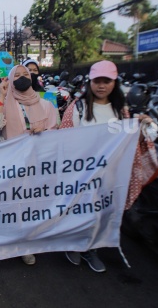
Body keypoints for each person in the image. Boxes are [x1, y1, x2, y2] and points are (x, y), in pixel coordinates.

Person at [59, 60, 127, 273]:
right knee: (78, 209)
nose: (101, 86)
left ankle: (91, 249)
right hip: (81, 172)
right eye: (97, 81)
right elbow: (64, 138)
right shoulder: (78, 107)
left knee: (99, 213)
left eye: (107, 81)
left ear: (114, 83)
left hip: (108, 174)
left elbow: (125, 141)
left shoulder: (121, 111)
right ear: (90, 82)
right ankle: (73, 244)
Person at [0, 65, 59, 266]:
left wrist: (42, 131)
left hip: (36, 163)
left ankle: (25, 244)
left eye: (25, 75)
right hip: (10, 162)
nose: (21, 78)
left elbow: (56, 134)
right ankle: (8, 241)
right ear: (9, 80)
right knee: (10, 203)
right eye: (16, 75)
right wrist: (1, 98)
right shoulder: (3, 103)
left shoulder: (46, 105)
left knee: (30, 203)